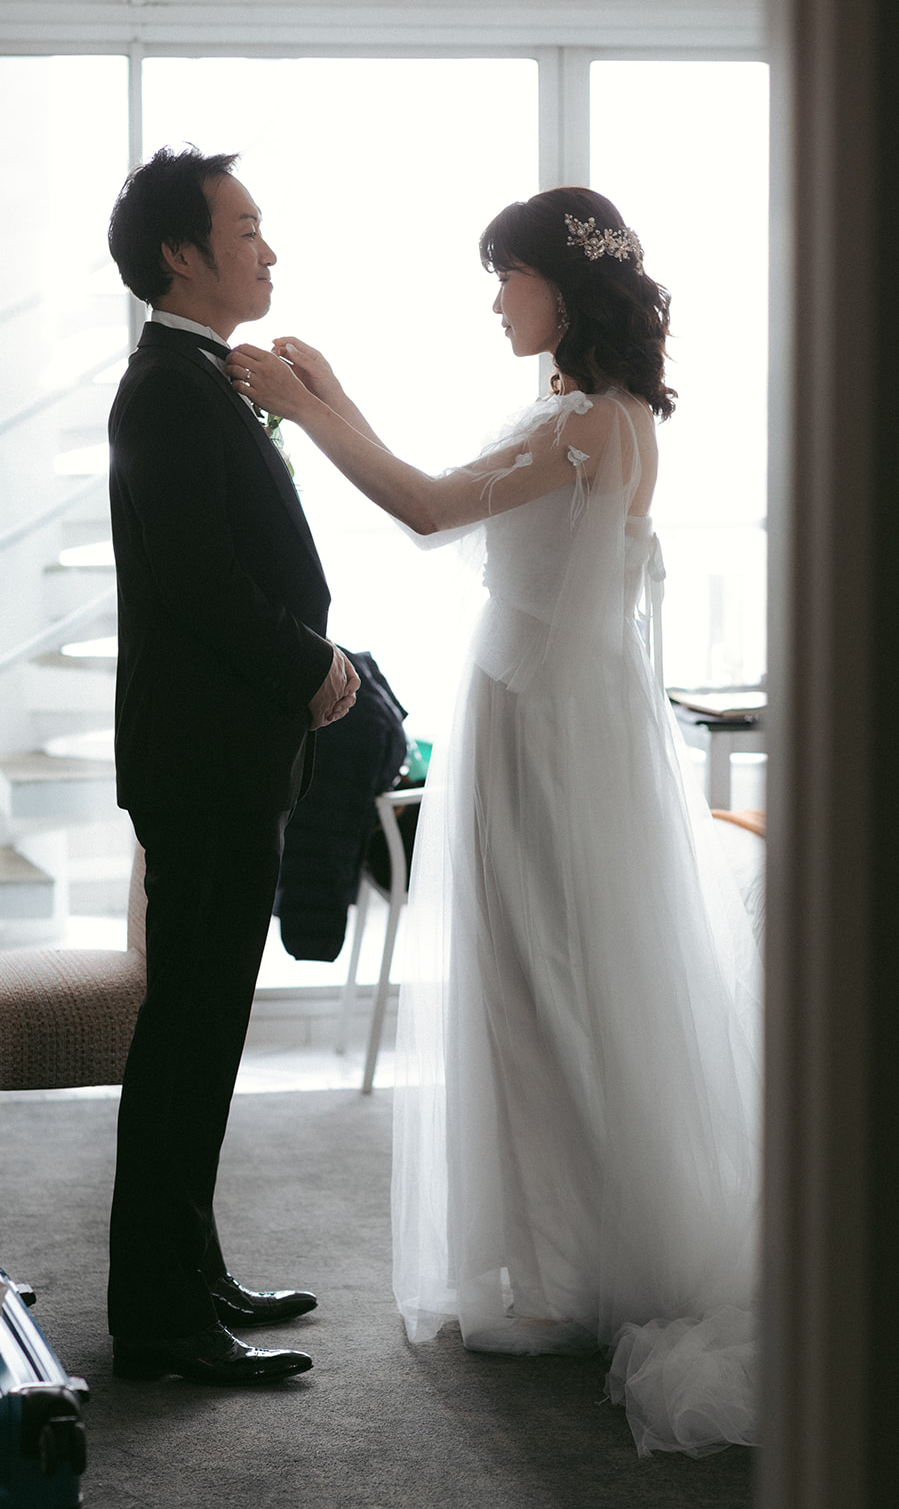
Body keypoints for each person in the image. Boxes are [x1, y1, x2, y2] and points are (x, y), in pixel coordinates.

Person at [227, 186, 762, 1453]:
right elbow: (433, 489)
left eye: (504, 277)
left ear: (559, 290)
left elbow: (422, 507)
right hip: (539, 723)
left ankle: (578, 1270)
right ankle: (551, 1259)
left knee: (551, 986)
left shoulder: (594, 426)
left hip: (554, 735)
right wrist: (331, 397)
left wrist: (310, 407)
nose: (494, 299)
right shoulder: (574, 418)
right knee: (528, 986)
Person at [104, 145, 360, 1385]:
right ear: (180, 253)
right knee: (187, 1034)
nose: (267, 249)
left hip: (226, 755)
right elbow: (200, 581)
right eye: (246, 228)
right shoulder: (165, 385)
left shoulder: (200, 377)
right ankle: (156, 1317)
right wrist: (308, 668)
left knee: (204, 1033)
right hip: (204, 758)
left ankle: (187, 1270)